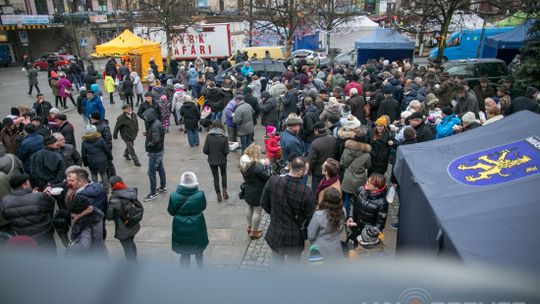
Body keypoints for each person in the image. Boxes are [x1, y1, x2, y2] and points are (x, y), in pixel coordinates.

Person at [261, 156, 315, 265]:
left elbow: (263, 202)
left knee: (277, 266)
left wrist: (274, 214)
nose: (307, 173)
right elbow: (309, 215)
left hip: (275, 233)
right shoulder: (306, 191)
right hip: (294, 236)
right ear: (300, 172)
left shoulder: (273, 181)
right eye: (306, 171)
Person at [0, 174, 56, 252]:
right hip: (45, 237)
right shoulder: (38, 197)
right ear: (24, 185)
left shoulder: (5, 201)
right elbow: (50, 206)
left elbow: (5, 216)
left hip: (25, 240)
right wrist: (43, 195)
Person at [168, 171, 208, 268]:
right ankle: (200, 271)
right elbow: (203, 207)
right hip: (197, 224)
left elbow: (171, 211)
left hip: (180, 226)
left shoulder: (174, 196)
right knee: (198, 251)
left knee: (184, 253)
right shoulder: (200, 194)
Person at [346, 173, 389, 243]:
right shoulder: (360, 190)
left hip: (367, 237)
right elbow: (352, 202)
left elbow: (379, 225)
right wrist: (350, 216)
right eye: (368, 180)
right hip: (354, 230)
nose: (367, 183)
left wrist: (363, 229)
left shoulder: (382, 203)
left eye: (370, 183)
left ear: (376, 188)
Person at [239, 144, 270, 240]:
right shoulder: (257, 167)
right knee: (257, 210)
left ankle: (249, 227)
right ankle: (254, 231)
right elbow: (268, 177)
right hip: (257, 191)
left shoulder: (243, 161)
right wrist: (267, 166)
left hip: (248, 188)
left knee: (249, 206)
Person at [107, 176, 141, 261]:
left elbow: (109, 216)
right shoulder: (130, 192)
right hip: (133, 224)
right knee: (131, 243)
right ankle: (134, 260)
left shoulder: (114, 200)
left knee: (127, 247)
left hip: (123, 227)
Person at [307, 187, 345, 261]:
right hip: (336, 249)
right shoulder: (343, 211)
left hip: (318, 250)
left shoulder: (318, 215)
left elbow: (311, 235)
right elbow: (341, 229)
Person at [340, 130, 371, 217]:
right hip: (360, 180)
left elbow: (342, 163)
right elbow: (368, 166)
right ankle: (355, 217)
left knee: (347, 199)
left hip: (348, 178)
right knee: (358, 200)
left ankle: (346, 218)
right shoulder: (367, 154)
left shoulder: (347, 149)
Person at [143, 108, 167, 202]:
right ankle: (163, 186)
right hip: (159, 150)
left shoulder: (154, 125)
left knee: (151, 172)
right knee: (160, 168)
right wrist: (148, 134)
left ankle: (153, 193)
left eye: (145, 117)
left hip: (155, 152)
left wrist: (149, 144)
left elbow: (156, 140)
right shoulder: (157, 122)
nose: (144, 118)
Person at [203, 120, 230, 202]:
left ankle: (218, 194)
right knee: (223, 174)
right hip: (222, 160)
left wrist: (211, 153)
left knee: (215, 177)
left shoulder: (209, 136)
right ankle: (224, 191)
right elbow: (226, 151)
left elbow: (205, 150)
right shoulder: (224, 137)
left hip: (212, 160)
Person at [81, 124, 113, 191]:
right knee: (103, 174)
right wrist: (110, 157)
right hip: (102, 160)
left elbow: (83, 154)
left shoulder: (84, 142)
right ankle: (106, 188)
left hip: (91, 161)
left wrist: (85, 163)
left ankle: (96, 189)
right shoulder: (100, 139)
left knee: (93, 175)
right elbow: (106, 149)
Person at [308, 122, 337, 193]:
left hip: (318, 172)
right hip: (331, 170)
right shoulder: (333, 139)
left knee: (317, 191)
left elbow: (311, 161)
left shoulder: (315, 143)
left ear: (316, 131)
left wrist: (309, 170)